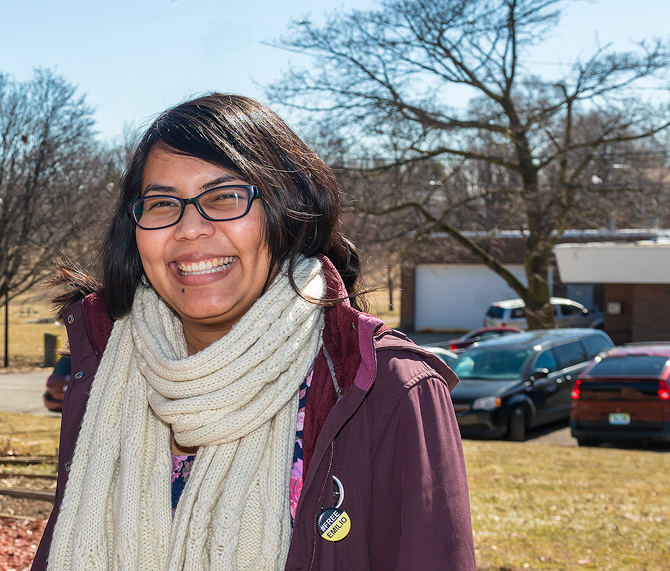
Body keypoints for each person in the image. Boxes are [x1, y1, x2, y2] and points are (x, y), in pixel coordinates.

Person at [31, 94, 474, 570]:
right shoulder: (103, 373)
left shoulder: (388, 389)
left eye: (225, 197)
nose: (190, 229)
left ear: (286, 212)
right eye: (162, 204)